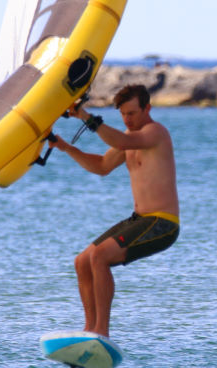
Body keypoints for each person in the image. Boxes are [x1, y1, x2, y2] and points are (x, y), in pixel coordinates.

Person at [49, 84, 179, 338]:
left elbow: (122, 141)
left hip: (162, 223)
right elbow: (102, 166)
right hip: (139, 219)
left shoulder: (155, 133)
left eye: (132, 113)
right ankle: (90, 330)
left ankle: (102, 332)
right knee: (82, 262)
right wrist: (65, 147)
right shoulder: (129, 137)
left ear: (147, 108)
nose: (127, 120)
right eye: (123, 114)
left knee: (100, 257)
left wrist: (85, 116)